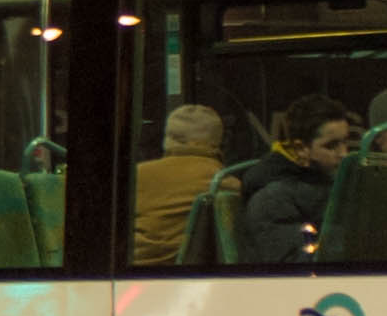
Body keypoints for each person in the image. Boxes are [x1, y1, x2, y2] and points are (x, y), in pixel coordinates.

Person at [225, 95, 360, 266]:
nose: (344, 154)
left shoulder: (331, 184)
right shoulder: (272, 199)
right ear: (301, 148)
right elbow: (296, 264)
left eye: (345, 143)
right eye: (331, 146)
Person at [129, 102, 228, 265]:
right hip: (184, 271)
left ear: (168, 139)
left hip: (134, 268)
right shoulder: (223, 181)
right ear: (216, 141)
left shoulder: (137, 175)